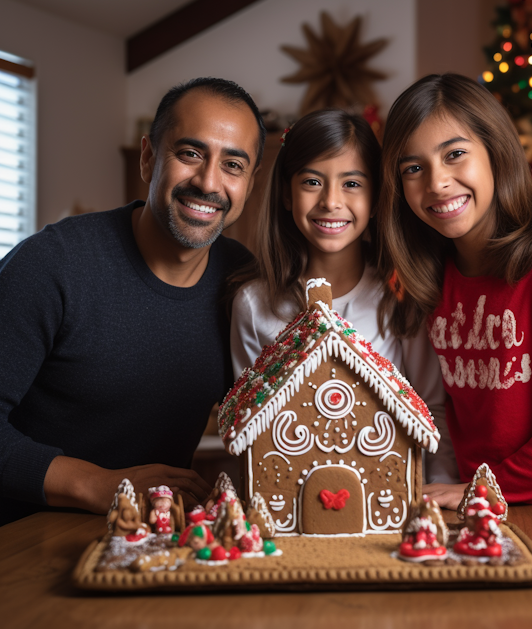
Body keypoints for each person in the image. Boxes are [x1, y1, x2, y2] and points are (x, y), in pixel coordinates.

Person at [0, 77, 266, 525]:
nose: (208, 182)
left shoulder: (243, 283)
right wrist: (100, 484)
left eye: (233, 165)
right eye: (190, 154)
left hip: (155, 539)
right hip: (22, 538)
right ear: (148, 157)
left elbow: (267, 410)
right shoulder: (51, 264)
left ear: (250, 182)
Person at [377, 73, 532, 508]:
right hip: (481, 512)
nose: (436, 183)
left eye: (454, 154)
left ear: (496, 152)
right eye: (413, 168)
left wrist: (479, 490)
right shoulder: (433, 274)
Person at [228, 109, 453, 483]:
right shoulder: (253, 305)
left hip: (389, 495)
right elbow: (250, 424)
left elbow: (431, 409)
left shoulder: (399, 294)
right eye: (312, 182)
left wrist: (438, 492)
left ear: (377, 198)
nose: (331, 201)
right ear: (286, 193)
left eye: (352, 184)